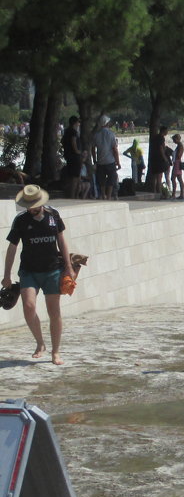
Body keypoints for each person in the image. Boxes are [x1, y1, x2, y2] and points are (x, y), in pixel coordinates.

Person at [2, 185, 75, 365]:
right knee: (28, 306)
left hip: (52, 270)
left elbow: (61, 241)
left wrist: (68, 267)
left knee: (54, 311)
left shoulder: (53, 215)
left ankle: (56, 352)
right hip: (29, 270)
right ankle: (40, 343)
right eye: (28, 205)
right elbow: (12, 248)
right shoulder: (20, 219)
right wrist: (6, 275)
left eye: (33, 204)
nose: (30, 208)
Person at [91, 114, 121, 200]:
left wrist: (95, 160)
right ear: (107, 123)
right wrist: (118, 162)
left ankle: (103, 195)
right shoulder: (111, 134)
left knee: (101, 180)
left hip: (100, 161)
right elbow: (115, 149)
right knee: (111, 179)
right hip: (110, 161)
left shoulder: (96, 135)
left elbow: (93, 149)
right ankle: (109, 196)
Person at [62, 115, 82, 199]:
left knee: (72, 177)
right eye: (78, 122)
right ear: (75, 123)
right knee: (75, 177)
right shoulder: (73, 132)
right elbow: (73, 142)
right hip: (74, 157)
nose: (79, 124)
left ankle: (73, 195)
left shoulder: (66, 131)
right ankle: (73, 196)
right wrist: (77, 151)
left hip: (68, 156)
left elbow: (62, 141)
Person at [147, 124, 169, 198]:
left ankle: (154, 191)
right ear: (163, 131)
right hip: (159, 159)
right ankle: (159, 193)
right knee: (159, 177)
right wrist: (165, 158)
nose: (167, 132)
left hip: (153, 159)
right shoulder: (161, 138)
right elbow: (161, 148)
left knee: (155, 177)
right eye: (166, 131)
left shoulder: (155, 137)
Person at [169, 133, 184, 200]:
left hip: (177, 163)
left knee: (173, 178)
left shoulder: (180, 146)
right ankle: (181, 194)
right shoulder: (179, 145)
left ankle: (174, 194)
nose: (173, 141)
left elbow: (179, 155)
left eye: (174, 139)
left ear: (177, 139)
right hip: (177, 163)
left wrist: (173, 154)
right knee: (179, 179)